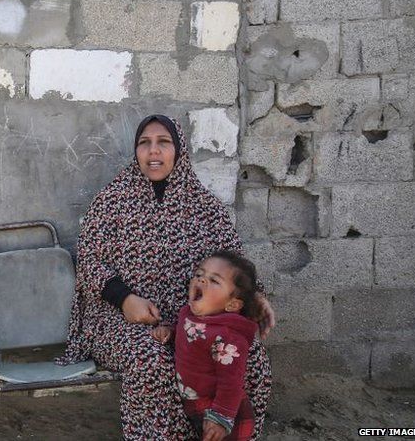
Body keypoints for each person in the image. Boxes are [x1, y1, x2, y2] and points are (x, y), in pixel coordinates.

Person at [59, 114, 274, 439]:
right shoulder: (111, 202)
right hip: (119, 320)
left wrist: (255, 296)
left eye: (164, 142)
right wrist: (125, 299)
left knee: (249, 354)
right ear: (136, 152)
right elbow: (89, 262)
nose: (153, 151)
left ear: (179, 150)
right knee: (152, 360)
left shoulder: (207, 208)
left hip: (196, 318)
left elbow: (234, 264)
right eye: (145, 143)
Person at [152, 251, 262, 441]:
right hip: (196, 404)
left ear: (232, 305)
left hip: (221, 413)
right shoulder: (191, 315)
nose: (202, 280)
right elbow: (192, 338)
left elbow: (231, 382)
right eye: (199, 275)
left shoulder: (228, 338)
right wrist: (171, 333)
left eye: (214, 280)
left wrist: (220, 419)